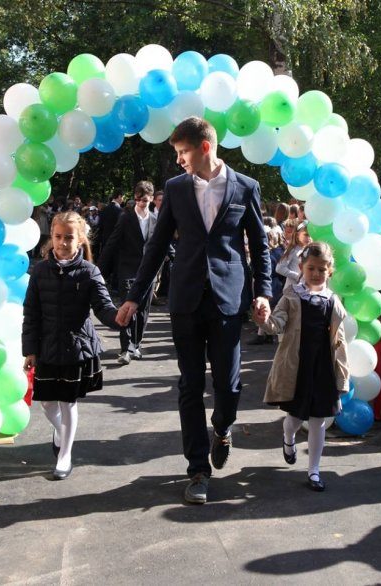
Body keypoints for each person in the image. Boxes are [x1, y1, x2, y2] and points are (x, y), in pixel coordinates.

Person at [116, 117, 271, 504]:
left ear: (205, 147)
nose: (179, 159)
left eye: (183, 152)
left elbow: (260, 246)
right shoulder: (176, 188)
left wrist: (264, 293)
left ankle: (223, 427)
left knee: (228, 386)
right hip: (185, 299)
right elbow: (157, 246)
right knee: (189, 386)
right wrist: (134, 296)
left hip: (227, 300)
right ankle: (198, 470)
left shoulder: (245, 187)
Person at [22, 211, 119, 479]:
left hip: (75, 348)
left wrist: (119, 318)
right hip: (46, 347)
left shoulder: (89, 271)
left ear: (80, 240)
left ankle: (65, 455)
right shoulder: (40, 271)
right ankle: (61, 431)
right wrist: (30, 349)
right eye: (58, 237)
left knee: (67, 402)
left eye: (68, 237)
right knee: (47, 403)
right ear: (51, 238)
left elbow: (103, 307)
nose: (63, 243)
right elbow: (31, 313)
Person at [254, 241, 350, 491]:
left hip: (323, 367)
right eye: (311, 268)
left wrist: (342, 375)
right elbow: (276, 324)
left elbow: (339, 342)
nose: (316, 273)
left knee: (318, 420)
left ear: (329, 271)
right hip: (298, 368)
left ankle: (314, 471)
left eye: (322, 269)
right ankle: (288, 437)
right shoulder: (292, 296)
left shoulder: (333, 301)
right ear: (301, 268)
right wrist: (264, 320)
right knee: (295, 418)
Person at [98, 181, 157, 365]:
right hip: (128, 270)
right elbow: (112, 243)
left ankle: (135, 345)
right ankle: (125, 349)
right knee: (127, 309)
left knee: (143, 311)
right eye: (137, 199)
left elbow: (162, 246)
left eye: (144, 200)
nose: (140, 203)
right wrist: (98, 271)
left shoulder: (156, 220)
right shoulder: (126, 218)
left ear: (151, 199)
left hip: (148, 272)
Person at [276, 220, 311, 290]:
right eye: (306, 235)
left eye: (310, 235)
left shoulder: (308, 250)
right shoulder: (293, 250)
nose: (309, 238)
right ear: (297, 235)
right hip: (292, 289)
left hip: (304, 289)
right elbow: (279, 268)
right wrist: (297, 276)